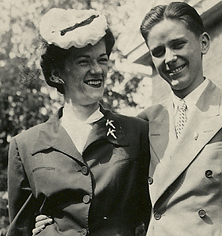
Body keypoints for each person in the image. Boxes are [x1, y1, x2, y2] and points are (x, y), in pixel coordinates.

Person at [7, 8, 150, 236]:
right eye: (84, 62)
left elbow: (153, 212)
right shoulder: (25, 146)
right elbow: (20, 229)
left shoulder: (137, 131)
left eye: (102, 60)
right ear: (56, 74)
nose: (97, 70)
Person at [137, 1, 222, 235]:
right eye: (158, 52)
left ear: (203, 42)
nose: (169, 58)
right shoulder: (145, 121)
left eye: (178, 45)